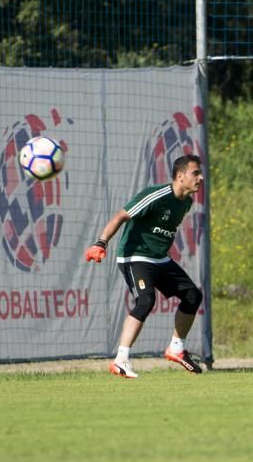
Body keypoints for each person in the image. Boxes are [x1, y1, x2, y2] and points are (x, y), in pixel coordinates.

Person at [85, 154, 206, 378]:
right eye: (195, 173)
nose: (201, 178)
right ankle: (121, 360)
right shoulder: (156, 195)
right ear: (180, 176)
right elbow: (121, 216)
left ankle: (176, 349)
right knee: (146, 300)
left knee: (193, 296)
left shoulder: (186, 202)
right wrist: (100, 243)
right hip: (135, 257)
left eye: (200, 173)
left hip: (160, 258)